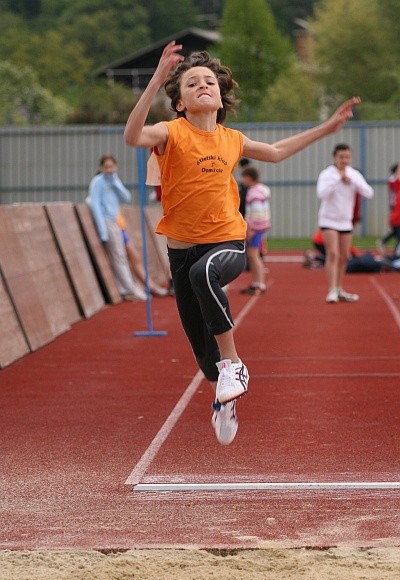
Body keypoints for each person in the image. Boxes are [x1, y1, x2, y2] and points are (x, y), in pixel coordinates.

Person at [123, 40, 362, 444]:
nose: (203, 86)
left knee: (206, 275)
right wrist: (156, 80)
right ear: (179, 102)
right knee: (204, 359)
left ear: (220, 96)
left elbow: (278, 150)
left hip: (227, 242)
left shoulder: (232, 139)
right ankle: (225, 396)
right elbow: (132, 137)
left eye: (210, 82)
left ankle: (235, 364)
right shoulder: (170, 133)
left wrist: (327, 128)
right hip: (181, 252)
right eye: (192, 83)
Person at [317, 143, 374, 304]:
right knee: (333, 253)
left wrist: (353, 183)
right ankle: (332, 289)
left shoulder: (354, 174)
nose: (344, 160)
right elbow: (321, 194)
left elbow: (369, 193)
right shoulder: (327, 174)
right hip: (328, 220)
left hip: (346, 221)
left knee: (344, 256)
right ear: (334, 157)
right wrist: (337, 181)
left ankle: (340, 288)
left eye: (347, 157)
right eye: (341, 157)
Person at [88, 154, 146, 301]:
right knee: (119, 255)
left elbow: (126, 197)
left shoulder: (114, 181)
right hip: (107, 221)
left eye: (111, 166)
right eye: (106, 167)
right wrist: (102, 231)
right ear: (101, 168)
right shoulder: (97, 182)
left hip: (116, 222)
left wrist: (115, 182)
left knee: (121, 255)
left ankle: (127, 286)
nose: (109, 169)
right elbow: (95, 205)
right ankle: (129, 288)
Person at [116, 212, 169, 296]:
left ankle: (150, 285)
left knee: (135, 258)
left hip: (121, 229)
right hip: (115, 228)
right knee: (128, 259)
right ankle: (147, 286)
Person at [239, 166, 271, 295]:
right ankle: (256, 282)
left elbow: (257, 212)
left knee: (254, 255)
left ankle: (260, 283)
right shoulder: (261, 189)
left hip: (256, 228)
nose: (242, 180)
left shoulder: (254, 192)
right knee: (253, 256)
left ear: (248, 177)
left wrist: (250, 229)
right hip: (261, 226)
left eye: (243, 177)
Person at [377, 163, 400, 256]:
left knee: (396, 231)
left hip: (396, 209)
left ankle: (383, 242)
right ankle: (396, 254)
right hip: (396, 210)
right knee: (397, 231)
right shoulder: (393, 181)